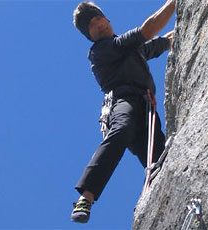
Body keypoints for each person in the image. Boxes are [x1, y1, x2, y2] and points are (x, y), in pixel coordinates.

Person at [71, 0, 176, 223]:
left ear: (107, 20)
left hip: (146, 108)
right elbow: (148, 31)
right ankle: (86, 196)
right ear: (90, 36)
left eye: (99, 18)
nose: (98, 24)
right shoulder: (101, 50)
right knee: (122, 131)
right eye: (91, 25)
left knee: (160, 157)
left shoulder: (132, 49)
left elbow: (162, 42)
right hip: (123, 101)